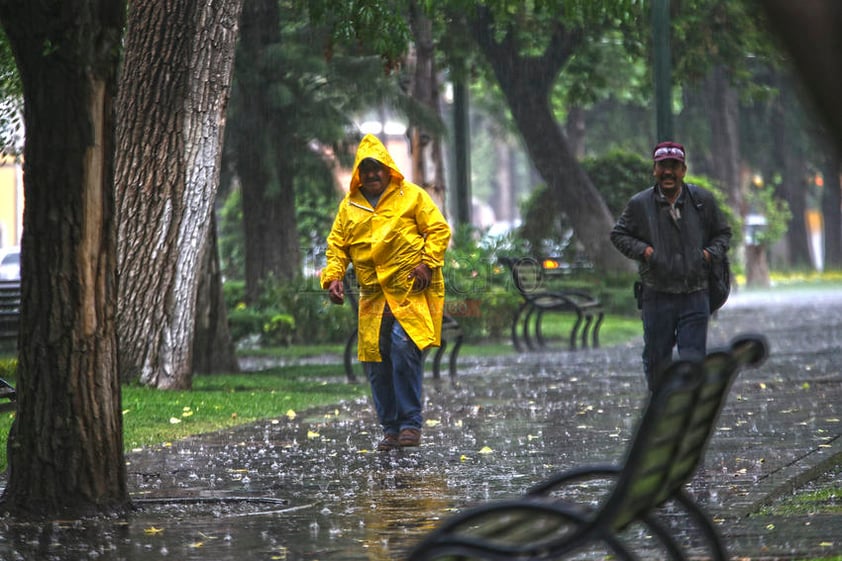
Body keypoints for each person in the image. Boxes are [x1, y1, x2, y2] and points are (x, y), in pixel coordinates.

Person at [321, 134, 451, 451]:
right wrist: (333, 277)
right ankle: (390, 429)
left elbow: (438, 229)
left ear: (388, 169)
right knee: (377, 362)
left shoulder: (411, 196)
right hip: (373, 298)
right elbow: (337, 248)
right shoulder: (349, 207)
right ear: (358, 174)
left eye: (378, 168)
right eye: (366, 170)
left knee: (403, 347)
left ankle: (409, 425)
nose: (373, 175)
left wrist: (427, 263)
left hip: (411, 289)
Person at [610, 141, 731, 391]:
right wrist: (645, 251)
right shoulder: (640, 204)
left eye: (674, 166)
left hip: (695, 293)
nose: (668, 172)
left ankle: (686, 409)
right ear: (654, 170)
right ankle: (660, 408)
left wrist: (708, 255)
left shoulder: (702, 201)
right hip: (656, 294)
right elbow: (619, 235)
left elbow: (723, 234)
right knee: (657, 361)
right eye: (662, 166)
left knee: (693, 360)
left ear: (683, 170)